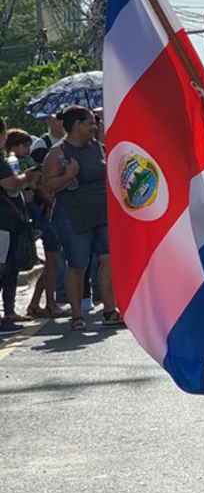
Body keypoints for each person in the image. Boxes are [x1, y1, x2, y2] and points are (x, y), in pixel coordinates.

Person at [41, 106, 124, 330]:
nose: (94, 127)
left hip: (101, 212)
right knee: (78, 264)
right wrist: (68, 176)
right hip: (73, 216)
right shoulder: (58, 153)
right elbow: (48, 186)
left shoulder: (97, 147)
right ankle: (77, 315)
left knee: (107, 259)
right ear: (77, 125)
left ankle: (109, 311)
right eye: (90, 123)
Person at [0, 119, 43, 334]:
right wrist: (25, 176)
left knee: (10, 268)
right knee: (2, 268)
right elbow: (9, 184)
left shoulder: (5, 160)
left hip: (11, 222)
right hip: (3, 224)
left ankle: (9, 312)